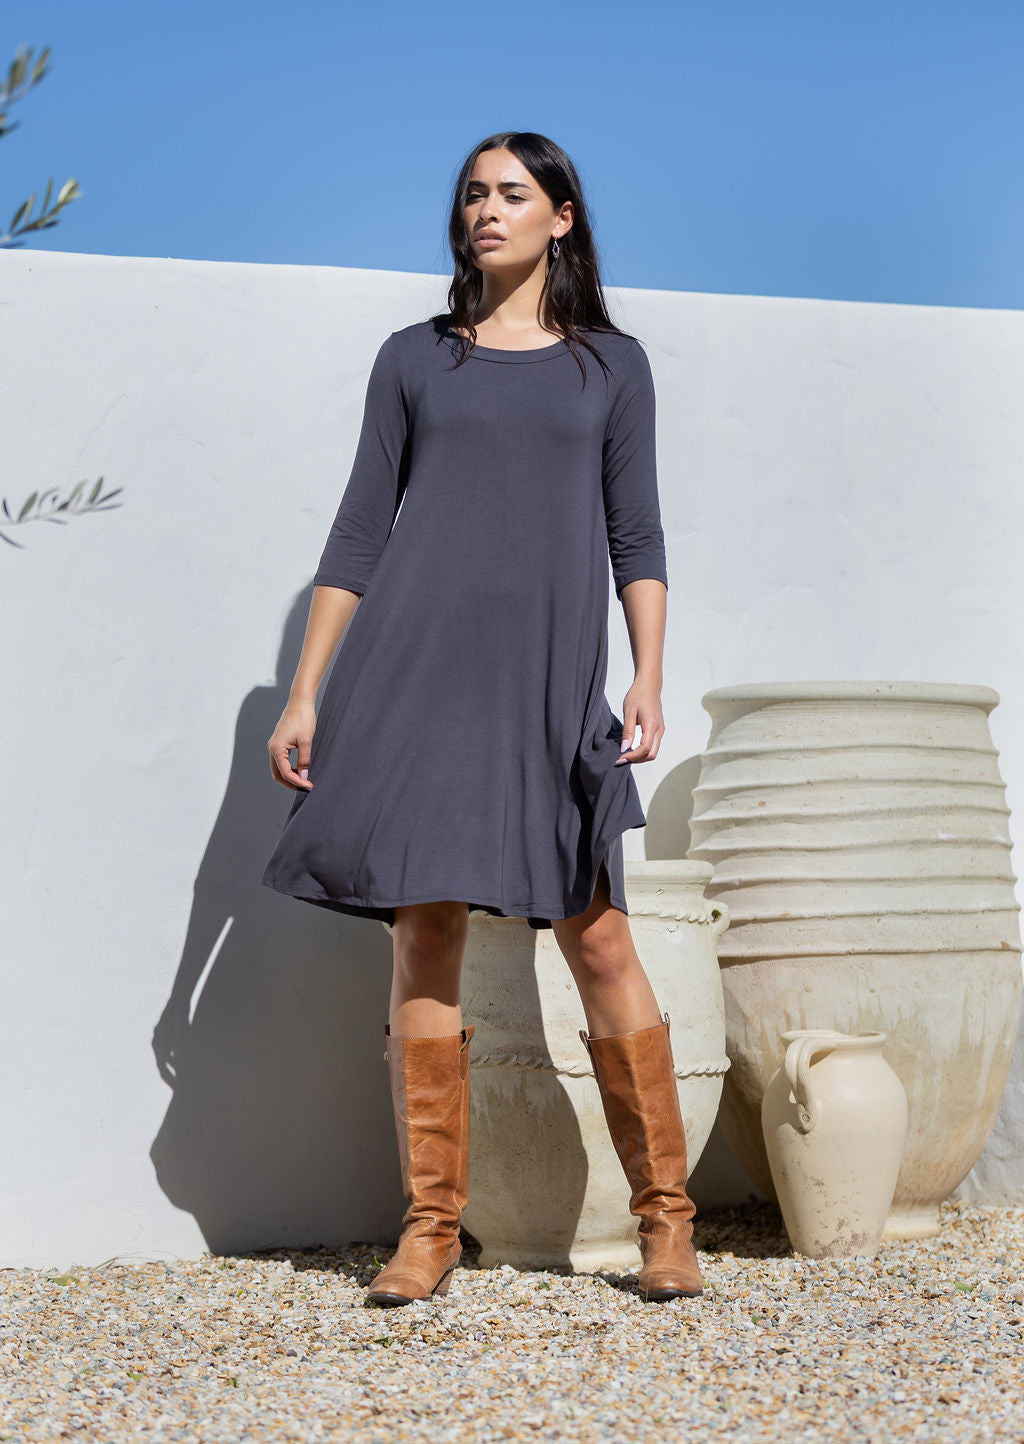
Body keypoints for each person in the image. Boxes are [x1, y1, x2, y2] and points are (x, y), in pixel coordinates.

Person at [261, 131, 703, 1306]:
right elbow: (360, 531)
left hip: (550, 682)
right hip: (418, 678)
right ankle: (430, 1229)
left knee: (597, 936)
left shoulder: (611, 367)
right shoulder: (415, 359)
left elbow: (636, 532)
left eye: (512, 193)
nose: (485, 210)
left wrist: (647, 674)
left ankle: (666, 1222)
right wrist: (305, 689)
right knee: (426, 930)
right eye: (472, 194)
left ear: (563, 216)